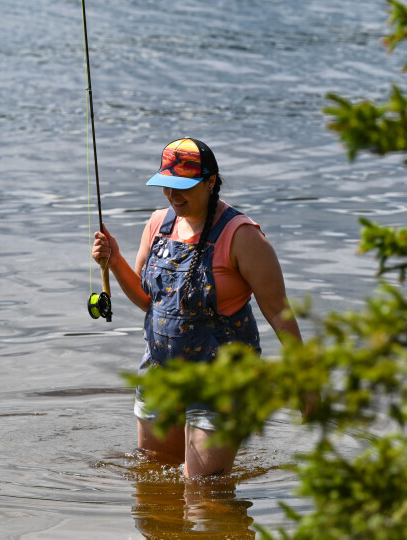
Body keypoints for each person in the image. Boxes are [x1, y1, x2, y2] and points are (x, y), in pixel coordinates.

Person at [92, 138, 302, 477]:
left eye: (183, 187)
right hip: (161, 371)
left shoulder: (242, 236)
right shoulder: (157, 225)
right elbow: (149, 302)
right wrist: (115, 260)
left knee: (204, 495)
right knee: (154, 488)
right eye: (167, 187)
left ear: (210, 182)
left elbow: (278, 311)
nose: (174, 196)